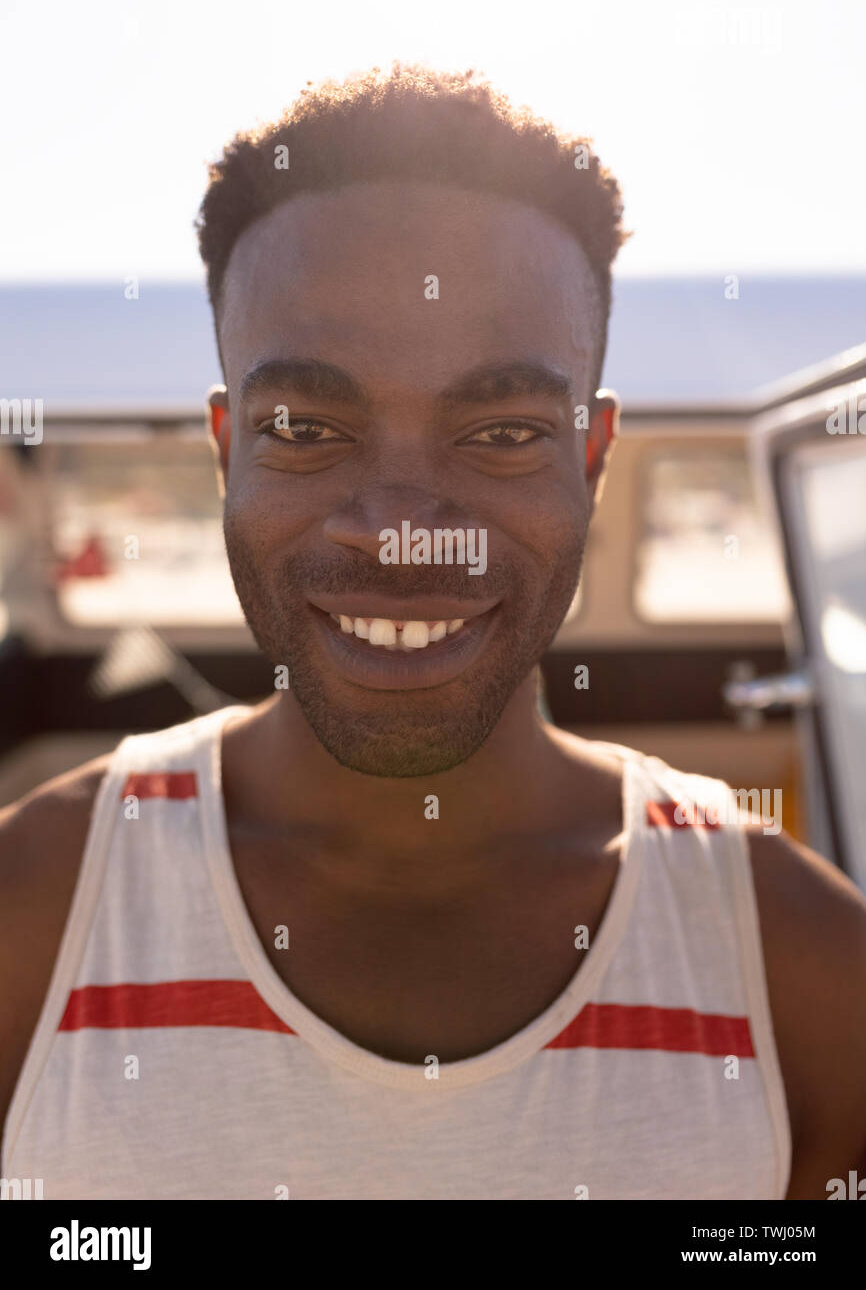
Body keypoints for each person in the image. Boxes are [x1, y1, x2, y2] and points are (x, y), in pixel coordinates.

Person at [2, 64, 865, 1201]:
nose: (401, 533)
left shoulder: (801, 965)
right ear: (227, 452)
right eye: (306, 427)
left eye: (501, 432)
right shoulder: (36, 910)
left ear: (589, 461)